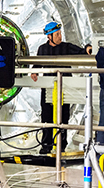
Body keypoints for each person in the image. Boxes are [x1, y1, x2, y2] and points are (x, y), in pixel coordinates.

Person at [31, 21, 92, 154]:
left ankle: (60, 145)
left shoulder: (66, 47)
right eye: (57, 34)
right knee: (46, 117)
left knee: (63, 117)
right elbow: (37, 63)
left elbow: (81, 52)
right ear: (49, 37)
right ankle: (46, 145)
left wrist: (88, 48)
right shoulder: (42, 49)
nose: (60, 37)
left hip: (65, 88)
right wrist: (34, 72)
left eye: (60, 34)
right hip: (48, 88)